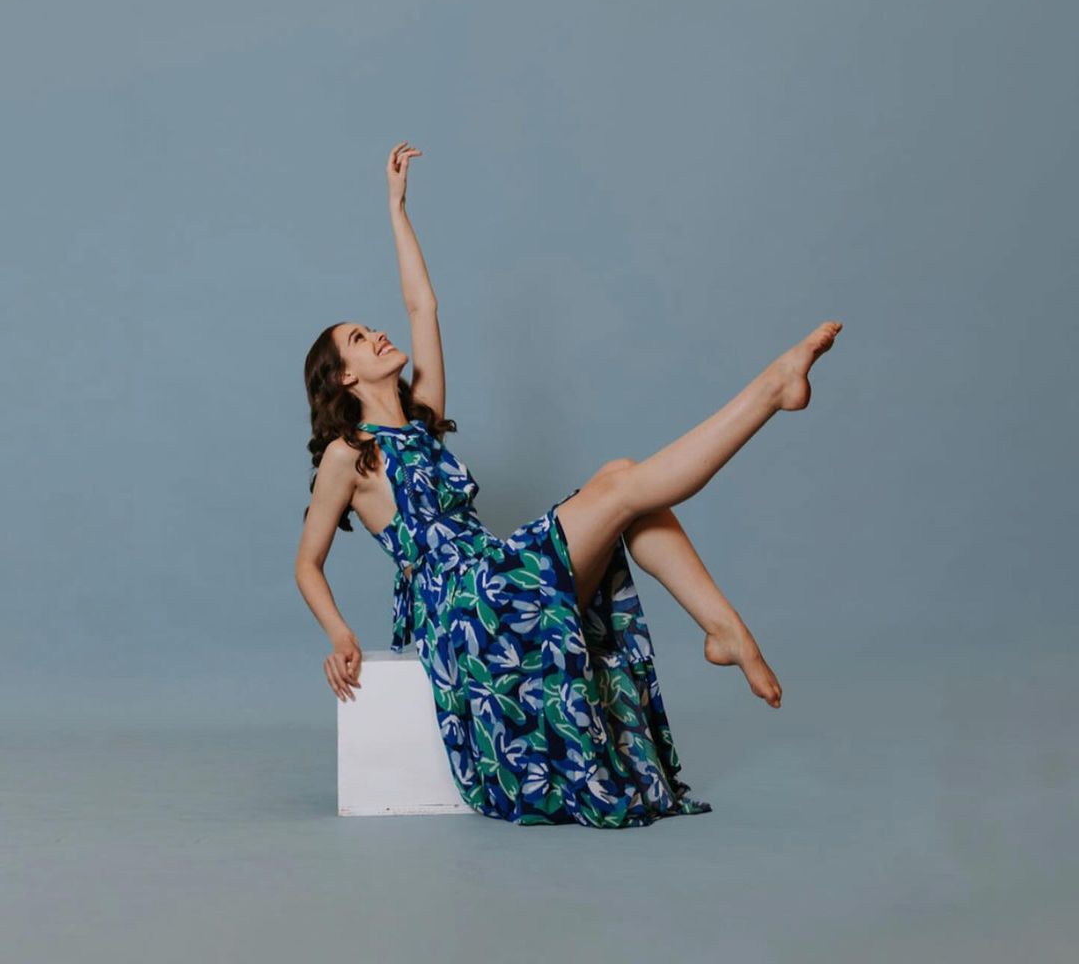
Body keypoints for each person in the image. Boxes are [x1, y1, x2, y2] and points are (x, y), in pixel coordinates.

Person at [295, 141, 843, 827]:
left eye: (371, 328)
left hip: (498, 574)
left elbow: (423, 308)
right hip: (468, 611)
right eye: (359, 338)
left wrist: (397, 210)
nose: (377, 334)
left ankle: (725, 631)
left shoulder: (423, 422)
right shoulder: (349, 455)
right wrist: (340, 634)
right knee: (622, 489)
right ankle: (769, 391)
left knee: (620, 481)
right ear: (345, 376)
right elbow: (307, 562)